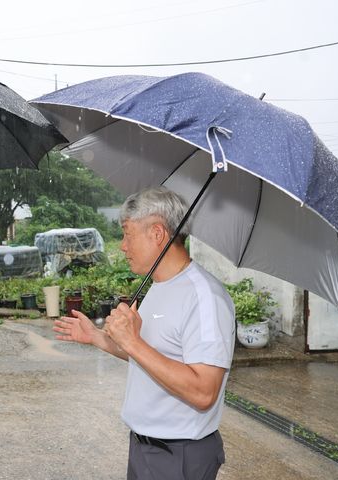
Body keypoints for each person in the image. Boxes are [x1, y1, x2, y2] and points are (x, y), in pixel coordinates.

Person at [54, 186, 235, 480]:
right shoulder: (159, 286)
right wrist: (99, 338)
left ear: (157, 234)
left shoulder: (204, 298)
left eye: (127, 233)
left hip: (179, 457)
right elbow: (154, 356)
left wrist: (132, 341)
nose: (123, 246)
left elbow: (204, 392)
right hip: (146, 448)